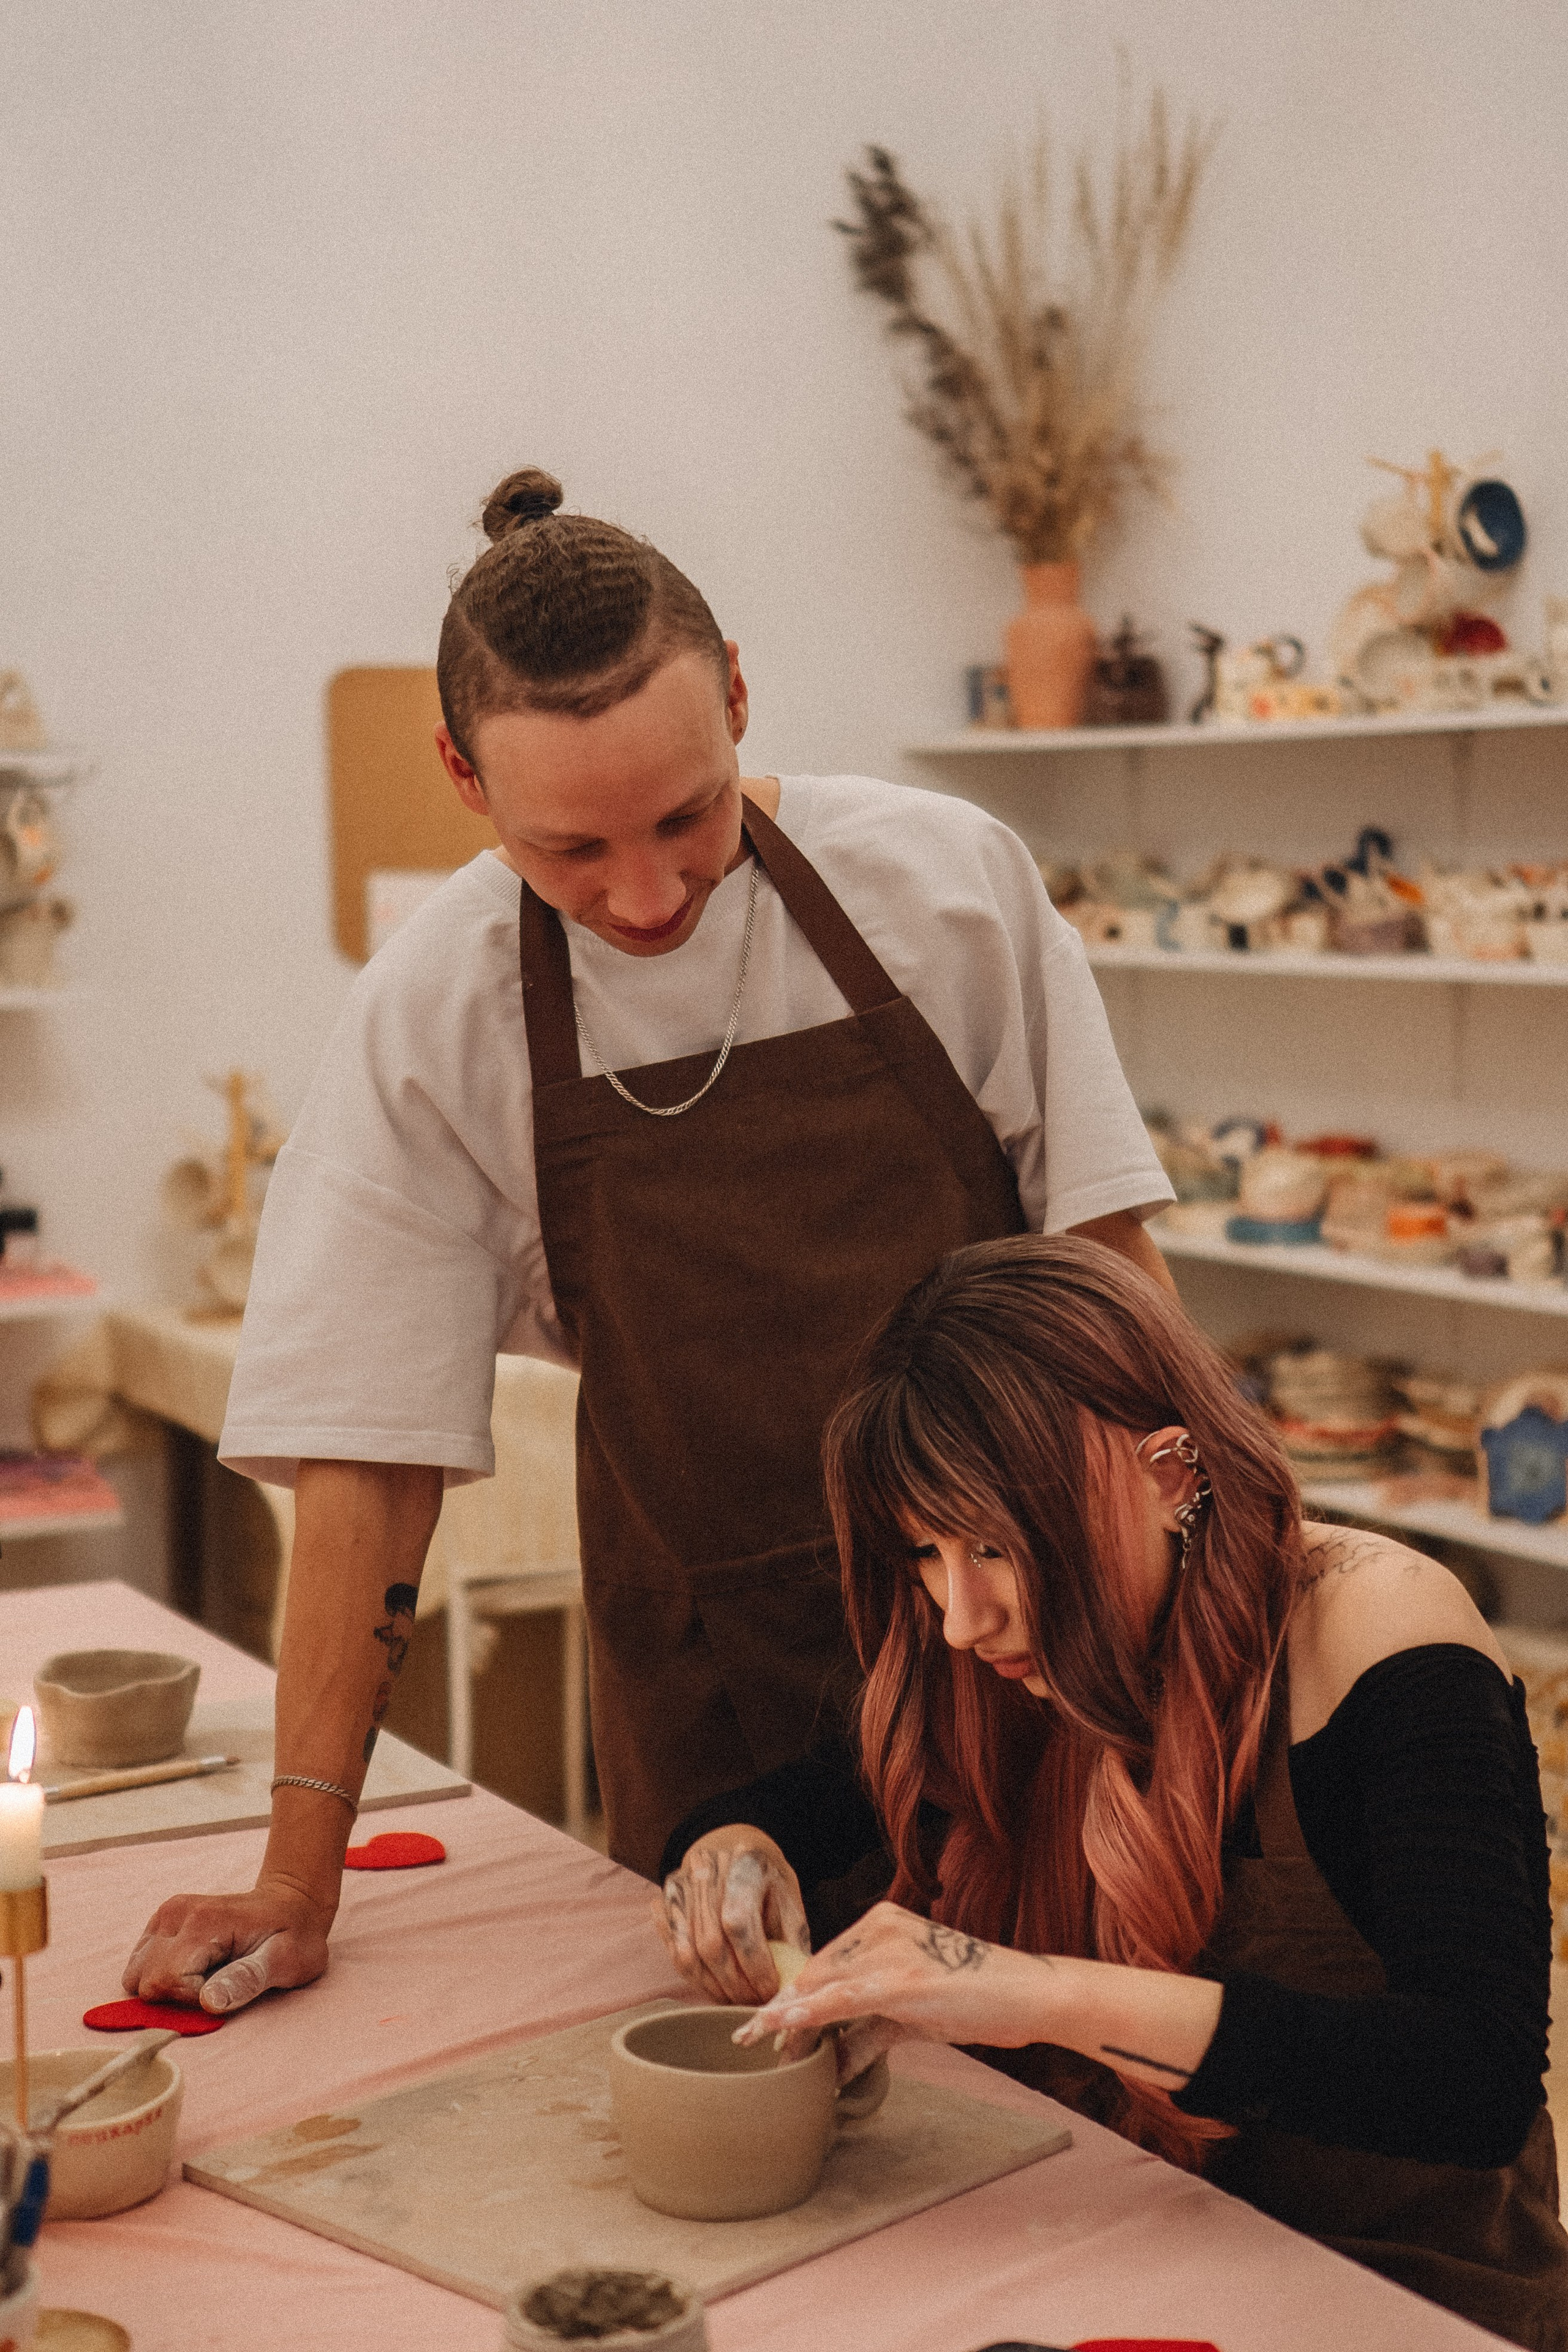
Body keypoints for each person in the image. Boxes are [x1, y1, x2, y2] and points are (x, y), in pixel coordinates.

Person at [121, 468, 1174, 2019]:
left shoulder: (945, 890)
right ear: (462, 779)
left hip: (1038, 1641)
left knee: (1105, 2096)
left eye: (688, 816)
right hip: (721, 1703)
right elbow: (369, 1459)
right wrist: (297, 1871)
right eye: (571, 852)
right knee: (774, 2117)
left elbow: (1111, 1284)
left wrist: (1222, 1627)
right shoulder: (436, 1017)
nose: (646, 891)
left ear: (738, 693)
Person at [655, 1235, 1568, 2350]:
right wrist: (730, 1860)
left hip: (1397, 2295)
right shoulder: (996, 1659)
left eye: (994, 1544)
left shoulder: (1375, 1630)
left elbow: (1469, 2082)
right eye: (924, 1553)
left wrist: (1032, 1991)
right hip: (1122, 2243)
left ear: (1173, 1473)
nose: (959, 1616)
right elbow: (785, 1812)